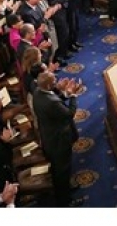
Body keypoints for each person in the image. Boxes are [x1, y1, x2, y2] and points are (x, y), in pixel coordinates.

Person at [32, 71, 83, 207]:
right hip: (59, 142)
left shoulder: (37, 92)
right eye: (54, 81)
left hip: (48, 137)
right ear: (48, 85)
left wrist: (64, 93)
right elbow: (68, 114)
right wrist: (72, 95)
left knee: (58, 170)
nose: (57, 82)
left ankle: (65, 189)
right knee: (62, 171)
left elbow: (56, 102)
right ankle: (65, 201)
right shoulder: (51, 102)